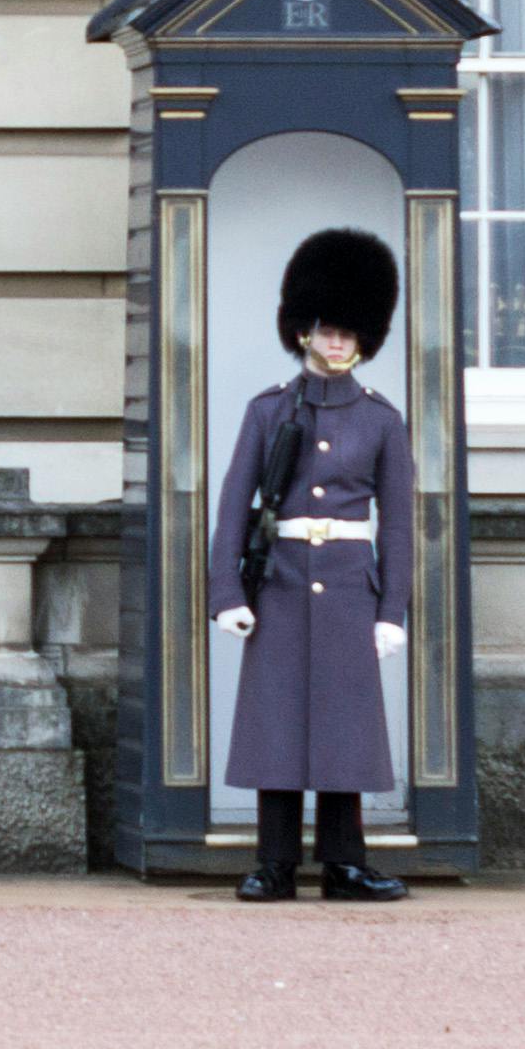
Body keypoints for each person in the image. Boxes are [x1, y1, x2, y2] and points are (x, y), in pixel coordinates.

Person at [205, 224, 415, 905]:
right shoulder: (268, 410)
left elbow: (401, 522)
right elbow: (233, 505)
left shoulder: (382, 421)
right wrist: (225, 591)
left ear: (363, 338)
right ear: (302, 331)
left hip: (351, 585)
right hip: (282, 580)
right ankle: (273, 863)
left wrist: (391, 611)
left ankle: (344, 864)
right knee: (276, 721)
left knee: (344, 727)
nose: (335, 341)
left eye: (347, 332)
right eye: (326, 328)